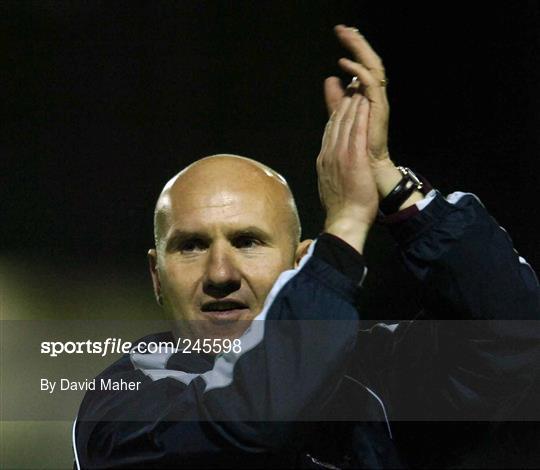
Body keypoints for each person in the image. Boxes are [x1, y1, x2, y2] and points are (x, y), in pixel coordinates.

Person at [73, 25, 539, 468]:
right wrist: (347, 225)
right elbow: (252, 422)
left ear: (299, 263)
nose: (220, 273)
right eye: (192, 246)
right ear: (157, 276)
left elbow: (514, 333)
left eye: (248, 241)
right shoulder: (122, 403)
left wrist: (391, 185)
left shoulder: (375, 378)